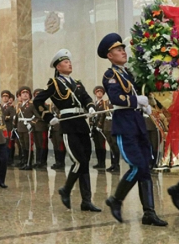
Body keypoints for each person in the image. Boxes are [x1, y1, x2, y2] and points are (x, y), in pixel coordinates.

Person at [97, 33, 167, 226]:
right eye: (118, 49)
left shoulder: (128, 73)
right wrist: (137, 101)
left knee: (146, 168)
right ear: (110, 55)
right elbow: (116, 99)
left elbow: (139, 91)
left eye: (123, 48)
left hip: (138, 124)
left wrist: (145, 103)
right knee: (138, 166)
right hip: (124, 125)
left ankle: (149, 212)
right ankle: (116, 200)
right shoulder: (110, 75)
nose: (123, 51)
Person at [33, 49, 100, 212]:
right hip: (68, 125)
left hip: (81, 124)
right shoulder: (54, 83)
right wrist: (49, 117)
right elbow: (38, 101)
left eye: (69, 61)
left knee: (85, 162)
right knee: (80, 161)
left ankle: (86, 200)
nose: (69, 63)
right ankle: (66, 189)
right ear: (58, 67)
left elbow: (86, 98)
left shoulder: (77, 82)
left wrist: (90, 108)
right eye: (65, 62)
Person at [14, 86, 35, 170]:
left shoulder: (32, 105)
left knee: (28, 145)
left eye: (27, 93)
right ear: (20, 96)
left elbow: (37, 117)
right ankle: (25, 161)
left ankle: (29, 163)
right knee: (22, 145)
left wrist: (31, 123)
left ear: (29, 96)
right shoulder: (19, 106)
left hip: (27, 128)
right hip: (20, 128)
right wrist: (15, 126)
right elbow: (17, 117)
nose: (25, 94)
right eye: (23, 93)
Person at [91, 86, 107, 170]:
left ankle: (103, 162)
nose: (99, 93)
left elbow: (102, 115)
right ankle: (99, 162)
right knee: (97, 145)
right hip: (94, 127)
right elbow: (91, 115)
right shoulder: (93, 103)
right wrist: (91, 124)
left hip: (101, 127)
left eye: (101, 92)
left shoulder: (104, 103)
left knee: (102, 145)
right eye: (98, 92)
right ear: (95, 93)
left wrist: (100, 125)